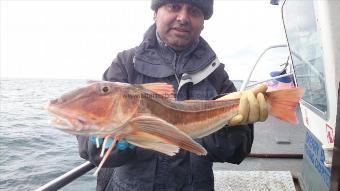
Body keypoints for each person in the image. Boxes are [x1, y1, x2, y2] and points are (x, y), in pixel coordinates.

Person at [77, 0, 268, 190]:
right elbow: (88, 145)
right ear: (155, 13)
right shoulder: (125, 64)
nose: (183, 18)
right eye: (174, 6)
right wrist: (99, 139)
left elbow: (236, 152)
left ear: (203, 22)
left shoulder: (216, 74)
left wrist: (229, 126)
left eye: (193, 11)